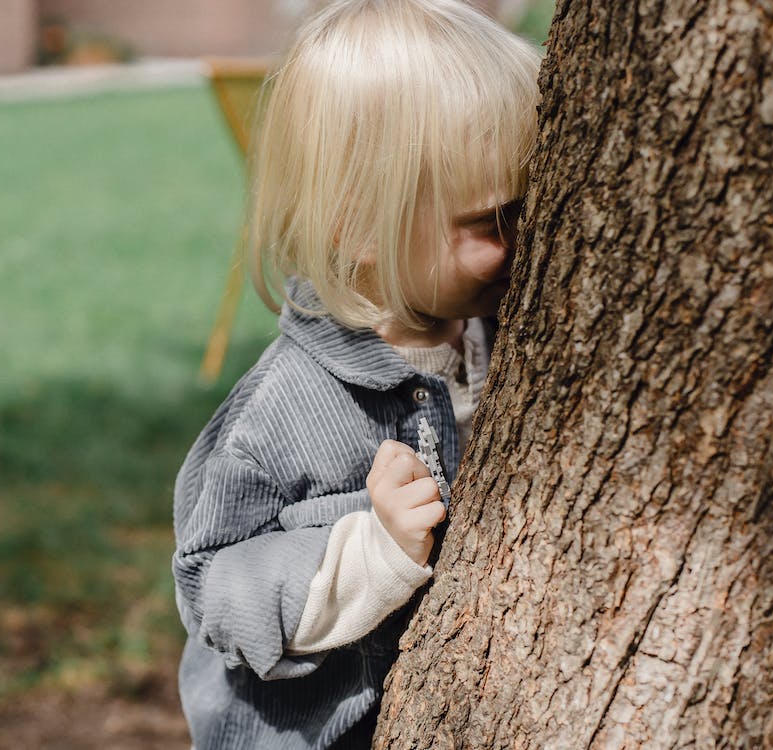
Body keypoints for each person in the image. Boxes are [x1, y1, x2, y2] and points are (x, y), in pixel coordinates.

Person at [172, 1, 540, 747]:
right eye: (490, 220)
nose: (528, 234)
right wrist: (370, 551)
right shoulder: (283, 411)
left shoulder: (492, 327)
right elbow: (212, 587)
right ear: (361, 228)